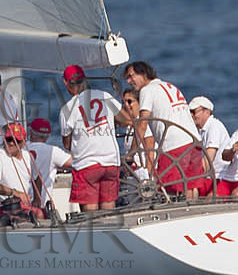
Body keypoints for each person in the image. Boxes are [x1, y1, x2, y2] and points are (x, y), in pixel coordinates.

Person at [124, 61, 209, 196]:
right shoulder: (170, 86)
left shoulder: (147, 90)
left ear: (143, 74)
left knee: (170, 189)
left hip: (174, 146)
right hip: (194, 142)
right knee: (191, 186)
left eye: (130, 76)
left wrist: (131, 153)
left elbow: (142, 123)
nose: (128, 81)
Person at [58, 66, 122, 212]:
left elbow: (67, 144)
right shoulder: (104, 95)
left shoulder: (67, 108)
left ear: (66, 83)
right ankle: (109, 231)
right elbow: (125, 119)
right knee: (108, 209)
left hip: (87, 165)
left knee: (90, 216)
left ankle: (94, 233)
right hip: (111, 162)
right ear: (85, 80)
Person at [26, 118, 71, 215]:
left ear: (31, 132)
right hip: (42, 207)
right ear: (48, 136)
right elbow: (76, 163)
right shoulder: (53, 152)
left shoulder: (20, 148)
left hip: (22, 204)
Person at [190, 96, 230, 191]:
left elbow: (209, 158)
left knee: (190, 188)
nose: (191, 115)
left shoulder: (214, 126)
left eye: (194, 112)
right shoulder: (199, 130)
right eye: (189, 112)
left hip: (219, 178)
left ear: (207, 112)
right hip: (208, 177)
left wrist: (192, 177)